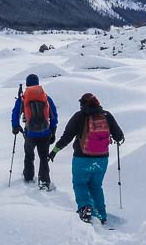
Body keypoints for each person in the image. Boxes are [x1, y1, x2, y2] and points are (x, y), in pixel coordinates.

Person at [49, 92, 124, 224]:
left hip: (82, 159)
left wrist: (54, 151)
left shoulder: (79, 117)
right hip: (102, 160)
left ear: (83, 104)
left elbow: (66, 137)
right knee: (96, 186)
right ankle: (101, 214)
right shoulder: (106, 115)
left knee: (80, 184)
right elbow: (119, 136)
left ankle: (85, 208)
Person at [11, 74, 58, 190]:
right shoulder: (46, 97)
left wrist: (15, 127)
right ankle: (44, 181)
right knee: (43, 157)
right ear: (38, 83)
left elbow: (15, 113)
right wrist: (53, 130)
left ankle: (28, 177)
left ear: (27, 84)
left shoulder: (23, 98)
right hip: (45, 133)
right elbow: (54, 115)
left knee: (29, 155)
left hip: (30, 134)